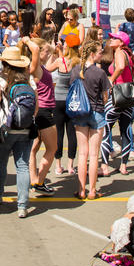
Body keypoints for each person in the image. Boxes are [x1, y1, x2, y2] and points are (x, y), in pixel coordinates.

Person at [0, 44, 37, 217]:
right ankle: (22, 205)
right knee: (23, 166)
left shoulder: (0, 81)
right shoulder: (29, 81)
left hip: (3, 128)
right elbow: (36, 108)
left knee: (1, 163)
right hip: (26, 128)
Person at [72, 33, 110, 200]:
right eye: (100, 52)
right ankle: (93, 190)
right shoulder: (99, 73)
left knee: (83, 153)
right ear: (93, 54)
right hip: (96, 111)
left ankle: (81, 190)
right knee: (94, 154)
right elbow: (106, 96)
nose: (102, 54)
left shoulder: (75, 71)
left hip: (80, 112)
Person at [25, 33, 59, 195]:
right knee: (52, 148)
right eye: (45, 51)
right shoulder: (36, 67)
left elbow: (52, 53)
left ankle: (34, 180)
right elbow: (35, 51)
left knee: (34, 147)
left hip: (39, 111)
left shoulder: (42, 67)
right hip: (44, 112)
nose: (48, 54)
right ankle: (39, 181)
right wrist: (27, 41)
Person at [101, 30, 134, 174]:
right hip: (128, 96)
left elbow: (121, 67)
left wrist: (111, 79)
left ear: (121, 42)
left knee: (105, 127)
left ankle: (104, 166)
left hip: (118, 95)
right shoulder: (128, 54)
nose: (110, 40)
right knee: (125, 129)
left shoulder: (119, 53)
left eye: (114, 38)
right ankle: (123, 165)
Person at [49, 37, 79, 176]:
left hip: (58, 99)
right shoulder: (78, 62)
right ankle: (71, 165)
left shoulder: (60, 62)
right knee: (72, 133)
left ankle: (58, 165)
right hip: (71, 100)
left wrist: (53, 52)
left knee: (59, 133)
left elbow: (47, 68)